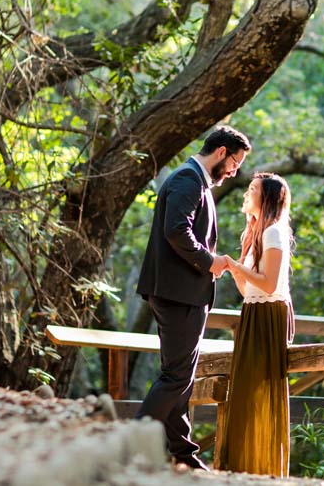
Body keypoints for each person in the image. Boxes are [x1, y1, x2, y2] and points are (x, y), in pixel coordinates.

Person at [135, 125, 251, 471]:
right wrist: (210, 261)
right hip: (179, 295)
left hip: (180, 293)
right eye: (235, 162)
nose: (235, 171)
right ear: (221, 153)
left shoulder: (195, 180)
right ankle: (127, 445)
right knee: (176, 377)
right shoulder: (188, 179)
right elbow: (176, 230)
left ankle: (183, 453)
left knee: (180, 376)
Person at [219, 172, 294, 477]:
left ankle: (265, 468)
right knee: (243, 394)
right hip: (252, 314)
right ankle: (243, 466)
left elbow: (269, 284)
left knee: (261, 396)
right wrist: (234, 271)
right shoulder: (253, 234)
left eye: (252, 190)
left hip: (269, 317)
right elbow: (248, 290)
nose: (246, 194)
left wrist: (237, 267)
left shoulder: (274, 233)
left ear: (267, 199)